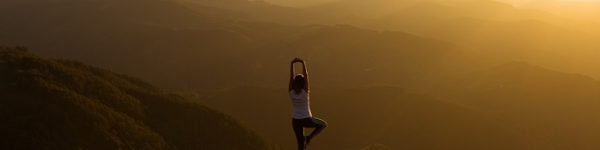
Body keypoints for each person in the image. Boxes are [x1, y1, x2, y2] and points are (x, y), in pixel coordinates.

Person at [289, 58, 328, 150]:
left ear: (294, 83)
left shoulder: (291, 92)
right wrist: (303, 63)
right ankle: (309, 138)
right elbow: (306, 76)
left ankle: (305, 140)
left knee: (300, 145)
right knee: (323, 125)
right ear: (303, 83)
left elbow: (291, 77)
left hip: (295, 120)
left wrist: (292, 64)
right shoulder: (305, 92)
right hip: (306, 118)